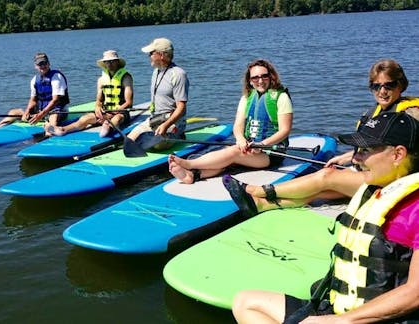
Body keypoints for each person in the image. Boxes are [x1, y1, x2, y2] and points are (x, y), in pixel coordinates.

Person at [230, 111, 419, 323]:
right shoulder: (375, 190)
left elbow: (414, 294)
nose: (355, 158)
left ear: (397, 155)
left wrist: (338, 321)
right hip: (340, 308)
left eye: (365, 151)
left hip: (373, 318)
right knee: (245, 302)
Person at [230, 59, 419, 214]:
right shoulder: (373, 112)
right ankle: (263, 205)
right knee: (320, 190)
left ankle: (260, 191)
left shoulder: (411, 115)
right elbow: (375, 149)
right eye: (376, 86)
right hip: (372, 172)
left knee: (326, 176)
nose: (382, 91)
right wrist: (344, 157)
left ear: (400, 85)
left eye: (389, 85)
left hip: (393, 182)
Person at [168, 59, 293, 184]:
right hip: (250, 148)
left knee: (232, 153)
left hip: (271, 153)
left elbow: (285, 130)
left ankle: (189, 164)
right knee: (226, 158)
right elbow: (238, 126)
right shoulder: (246, 98)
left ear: (270, 77)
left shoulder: (281, 97)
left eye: (264, 76)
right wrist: (240, 139)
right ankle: (193, 175)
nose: (260, 81)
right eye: (255, 78)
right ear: (250, 81)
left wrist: (262, 145)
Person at [46, 50, 133, 137]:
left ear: (117, 62)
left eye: (112, 61)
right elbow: (99, 100)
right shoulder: (101, 80)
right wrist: (98, 108)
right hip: (106, 112)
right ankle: (63, 130)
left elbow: (128, 102)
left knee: (117, 119)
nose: (109, 64)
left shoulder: (126, 78)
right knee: (85, 118)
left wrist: (114, 113)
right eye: (107, 62)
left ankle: (108, 127)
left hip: (121, 112)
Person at [126, 37, 189, 150]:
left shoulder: (179, 74)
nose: (148, 57)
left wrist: (166, 125)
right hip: (155, 119)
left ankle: (178, 134)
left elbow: (181, 108)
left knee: (155, 146)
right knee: (129, 141)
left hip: (173, 122)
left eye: (151, 53)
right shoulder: (156, 72)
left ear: (161, 55)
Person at [0, 53, 69, 129]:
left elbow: (55, 100)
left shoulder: (56, 77)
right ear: (36, 66)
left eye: (44, 63)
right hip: (41, 111)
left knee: (53, 119)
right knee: (13, 113)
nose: (43, 66)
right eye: (40, 64)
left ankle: (49, 135)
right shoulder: (34, 80)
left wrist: (41, 115)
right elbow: (33, 100)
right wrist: (27, 111)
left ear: (49, 63)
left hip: (57, 111)